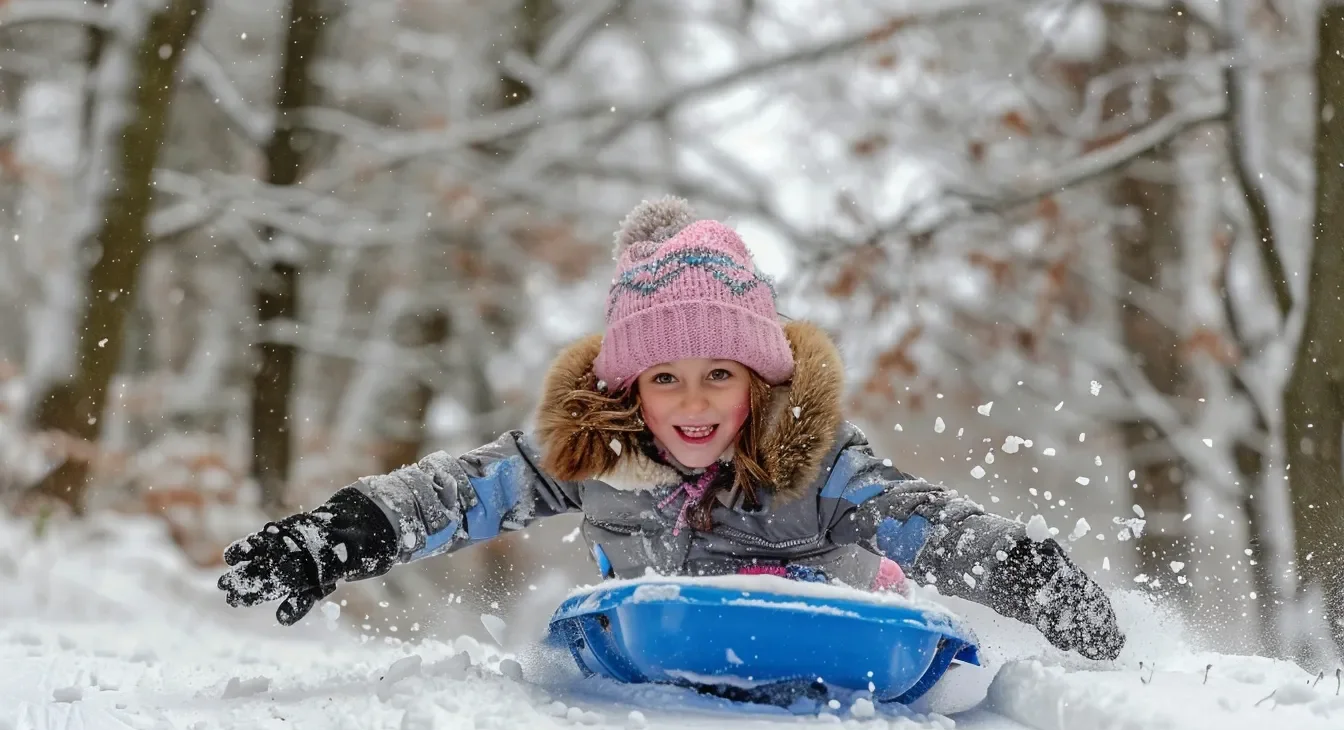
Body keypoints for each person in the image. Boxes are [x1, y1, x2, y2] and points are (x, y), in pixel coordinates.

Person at [217, 197, 1125, 662]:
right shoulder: (592, 457)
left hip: (825, 627)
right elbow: (464, 491)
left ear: (759, 379)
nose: (694, 404)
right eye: (665, 379)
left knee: (885, 548)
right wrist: (339, 537)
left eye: (719, 375)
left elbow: (925, 521)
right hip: (667, 634)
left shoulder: (816, 463)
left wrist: (1027, 577)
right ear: (628, 389)